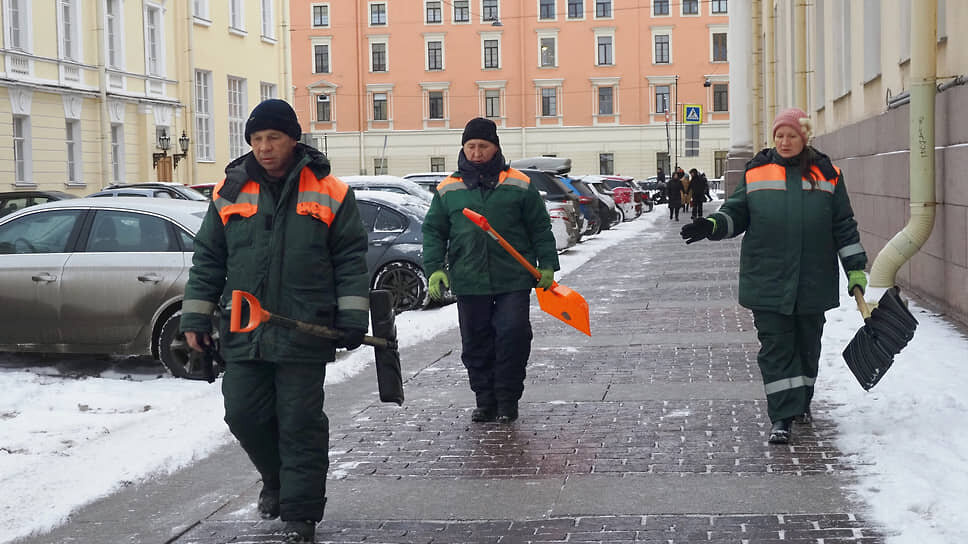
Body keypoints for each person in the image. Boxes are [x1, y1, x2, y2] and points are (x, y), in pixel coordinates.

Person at [180, 99, 370, 543]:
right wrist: (196, 316)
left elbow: (350, 259)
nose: (264, 148)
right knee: (242, 413)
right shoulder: (229, 191)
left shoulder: (331, 191)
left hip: (305, 327)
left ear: (293, 140)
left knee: (300, 421)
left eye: (274, 138)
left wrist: (351, 315)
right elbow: (209, 259)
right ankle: (277, 480)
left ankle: (300, 515)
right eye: (257, 139)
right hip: (245, 328)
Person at [680, 107, 868, 445]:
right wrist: (712, 225)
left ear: (804, 137)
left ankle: (801, 401)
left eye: (791, 135)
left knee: (808, 345)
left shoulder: (828, 175)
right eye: (779, 135)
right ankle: (781, 416)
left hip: (812, 279)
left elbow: (844, 225)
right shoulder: (757, 172)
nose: (784, 141)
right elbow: (736, 213)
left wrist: (855, 268)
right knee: (776, 348)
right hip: (767, 278)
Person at [422, 117, 560, 424]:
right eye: (470, 146)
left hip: (513, 277)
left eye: (483, 146)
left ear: (495, 147)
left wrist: (547, 264)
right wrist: (435, 268)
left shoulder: (518, 183)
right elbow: (433, 231)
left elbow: (539, 227)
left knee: (513, 335)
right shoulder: (448, 189)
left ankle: (508, 400)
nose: (476, 153)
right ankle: (485, 401)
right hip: (469, 277)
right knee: (476, 342)